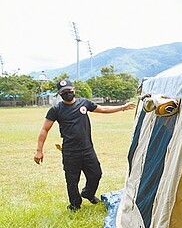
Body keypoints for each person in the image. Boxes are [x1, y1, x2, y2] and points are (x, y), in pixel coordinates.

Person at [34, 79, 136, 211]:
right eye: (63, 92)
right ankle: (75, 204)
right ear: (59, 93)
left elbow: (103, 109)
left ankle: (88, 193)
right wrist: (39, 150)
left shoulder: (84, 103)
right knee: (72, 180)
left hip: (87, 149)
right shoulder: (56, 110)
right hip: (70, 151)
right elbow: (44, 129)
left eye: (69, 90)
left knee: (96, 174)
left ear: (74, 89)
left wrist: (122, 107)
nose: (67, 93)